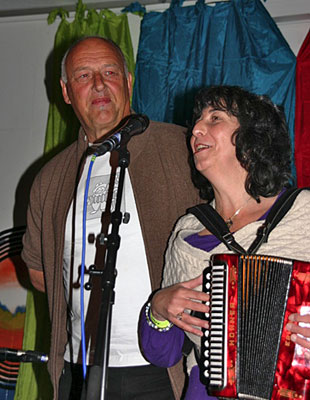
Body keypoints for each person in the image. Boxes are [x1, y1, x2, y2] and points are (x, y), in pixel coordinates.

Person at [21, 36, 200, 400]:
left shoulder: (182, 150)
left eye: (109, 72)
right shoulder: (51, 178)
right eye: (84, 75)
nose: (99, 84)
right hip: (80, 372)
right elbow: (40, 275)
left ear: (129, 82)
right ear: (66, 92)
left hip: (163, 370)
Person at [139, 85, 310, 399]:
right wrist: (158, 308)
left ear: (252, 138)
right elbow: (164, 354)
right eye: (197, 120)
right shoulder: (188, 233)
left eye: (215, 118)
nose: (196, 129)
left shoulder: (303, 212)